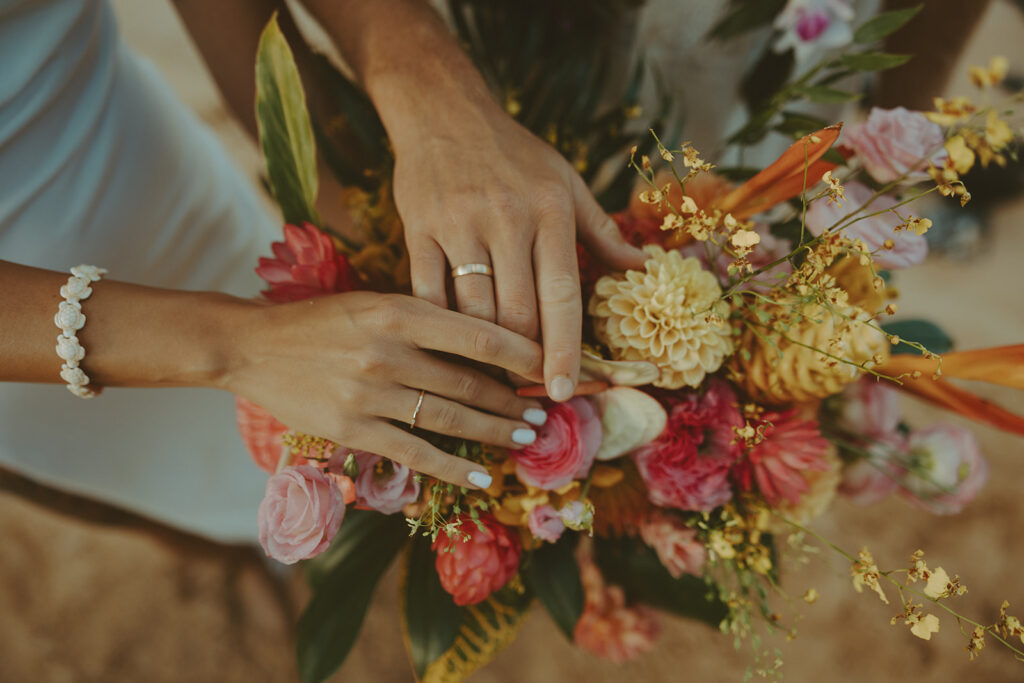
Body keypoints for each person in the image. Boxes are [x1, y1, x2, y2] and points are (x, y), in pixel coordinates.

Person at [0, 0, 644, 541]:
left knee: (350, 349)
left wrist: (433, 97)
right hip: (42, 342)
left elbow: (262, 52)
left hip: (119, 142)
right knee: (225, 483)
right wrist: (239, 347)